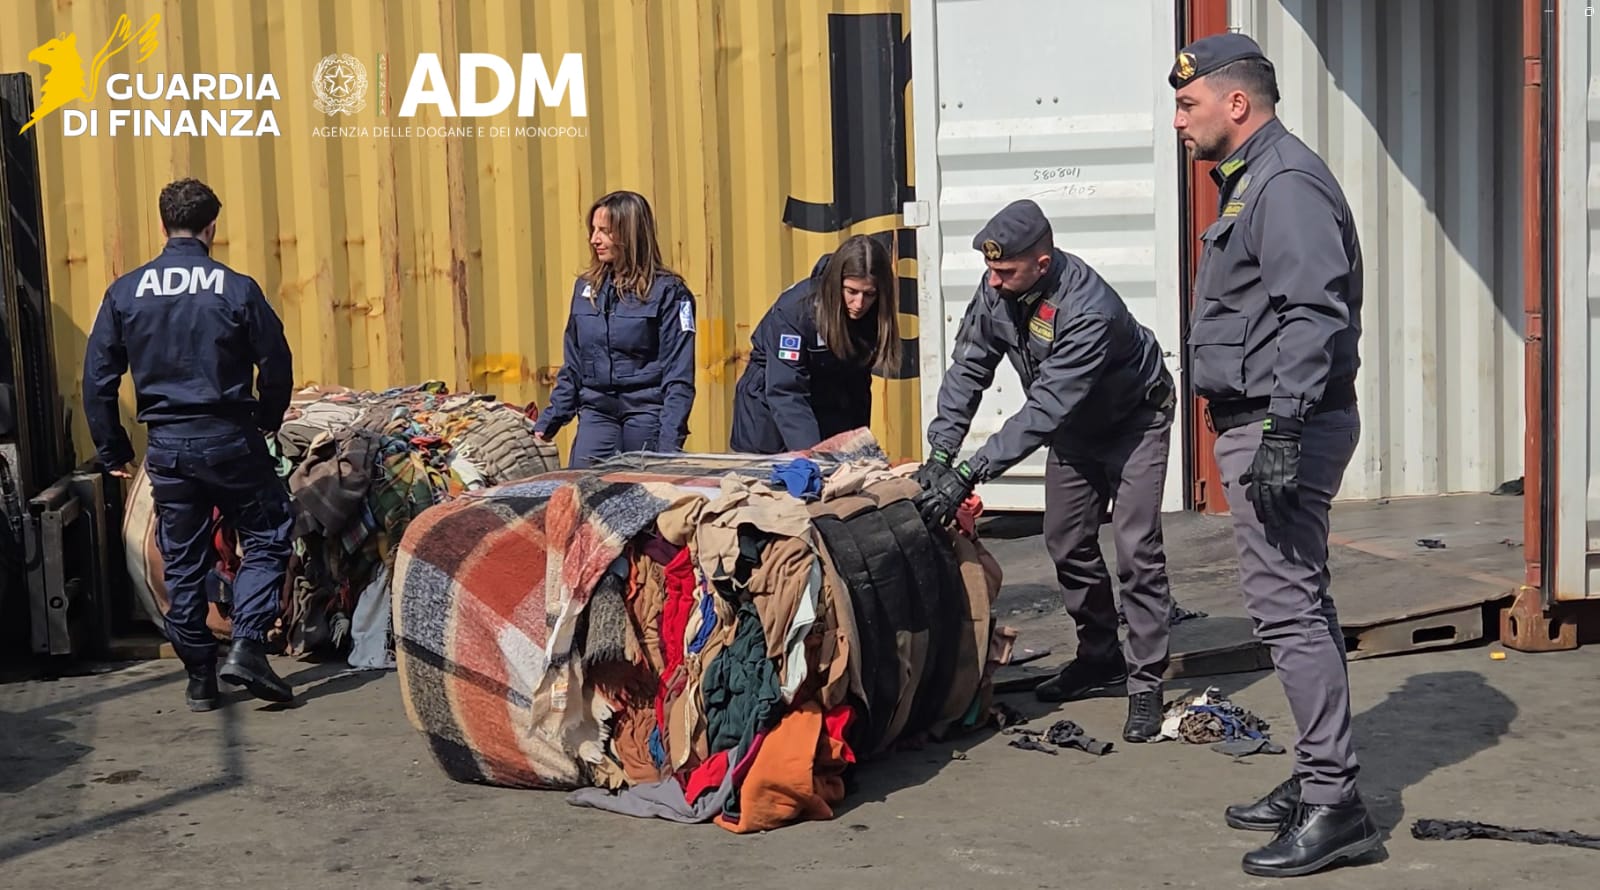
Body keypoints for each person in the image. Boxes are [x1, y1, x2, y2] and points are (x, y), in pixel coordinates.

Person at [1171, 33, 1376, 878]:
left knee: (1286, 611)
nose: (1179, 121)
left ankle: (1335, 805)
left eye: (1188, 104)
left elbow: (1312, 313)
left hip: (1281, 425)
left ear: (1236, 103)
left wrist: (1284, 429)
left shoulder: (1282, 183)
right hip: (1265, 420)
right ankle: (1319, 774)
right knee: (1301, 604)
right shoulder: (1253, 180)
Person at [911, 198, 1177, 743]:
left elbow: (1046, 406)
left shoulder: (1089, 308)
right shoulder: (999, 291)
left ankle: (1146, 682)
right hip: (1075, 427)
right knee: (1066, 541)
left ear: (1043, 263)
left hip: (1133, 423)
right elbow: (969, 366)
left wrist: (970, 472)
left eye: (1006, 270)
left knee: (1136, 551)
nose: (994, 280)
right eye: (990, 269)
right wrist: (941, 452)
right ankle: (1100, 657)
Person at [83, 177, 295, 710]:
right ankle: (247, 644)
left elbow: (98, 380)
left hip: (170, 449)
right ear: (211, 228)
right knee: (268, 534)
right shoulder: (237, 288)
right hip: (232, 440)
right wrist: (268, 420)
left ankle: (200, 676)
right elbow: (276, 363)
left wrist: (113, 451)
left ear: (162, 226)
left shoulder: (125, 292)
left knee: (182, 561)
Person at [534, 191, 697, 467]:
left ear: (629, 234)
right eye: (593, 230)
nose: (594, 239)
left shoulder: (670, 292)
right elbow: (574, 364)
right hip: (597, 411)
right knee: (581, 487)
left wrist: (669, 446)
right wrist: (551, 420)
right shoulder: (586, 288)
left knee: (639, 490)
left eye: (605, 231)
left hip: (647, 413)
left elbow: (678, 376)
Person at [729, 234, 901, 453]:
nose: (859, 303)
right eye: (851, 291)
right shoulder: (795, 311)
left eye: (869, 294)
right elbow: (786, 390)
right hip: (770, 414)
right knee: (800, 469)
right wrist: (811, 456)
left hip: (829, 399)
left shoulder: (873, 312)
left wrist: (854, 445)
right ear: (836, 283)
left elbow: (857, 386)